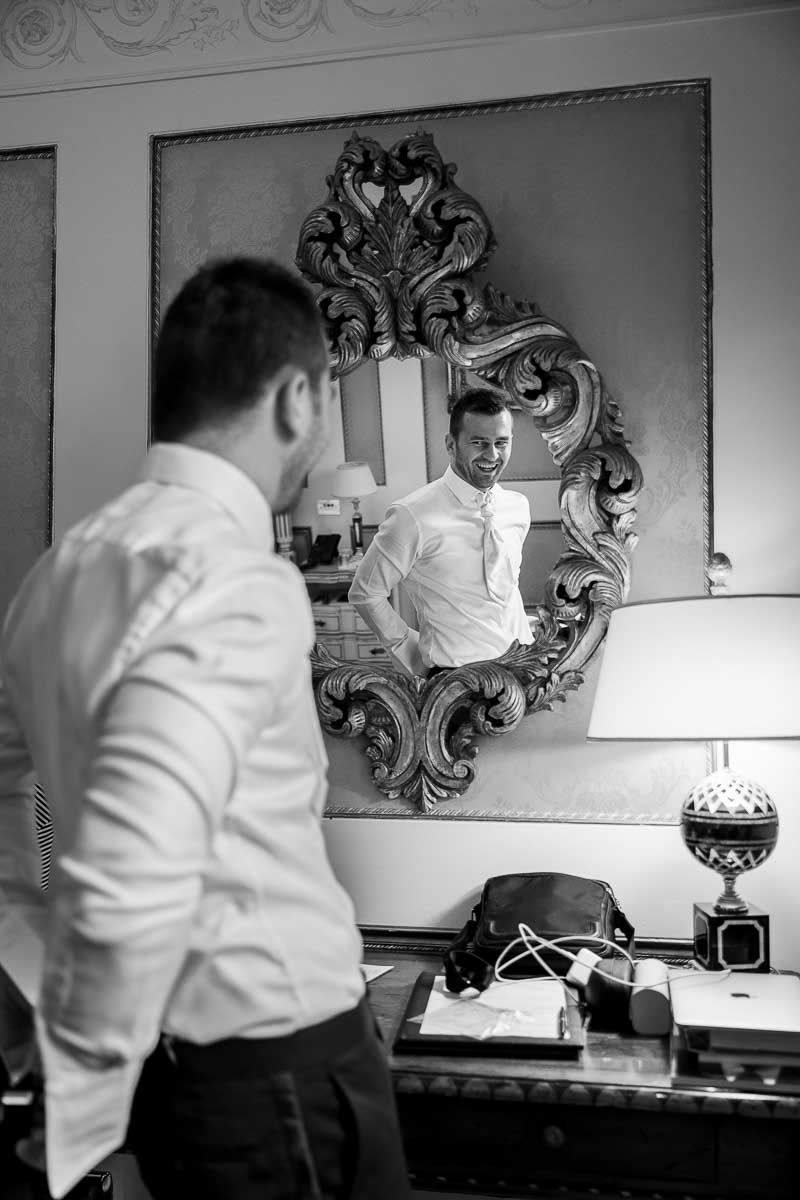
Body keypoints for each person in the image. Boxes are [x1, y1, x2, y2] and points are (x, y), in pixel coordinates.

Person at [0, 256, 411, 1200]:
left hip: (188, 1088)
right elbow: (134, 862)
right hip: (283, 1083)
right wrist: (82, 1099)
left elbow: (11, 831)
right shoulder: (235, 578)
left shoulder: (55, 575)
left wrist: (43, 1008)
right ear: (297, 398)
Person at [349, 388, 533, 676]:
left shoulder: (517, 508)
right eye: (478, 442)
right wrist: (405, 646)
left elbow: (504, 592)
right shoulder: (411, 516)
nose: (492, 454)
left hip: (522, 669)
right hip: (455, 682)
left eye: (501, 442)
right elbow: (365, 592)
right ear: (451, 444)